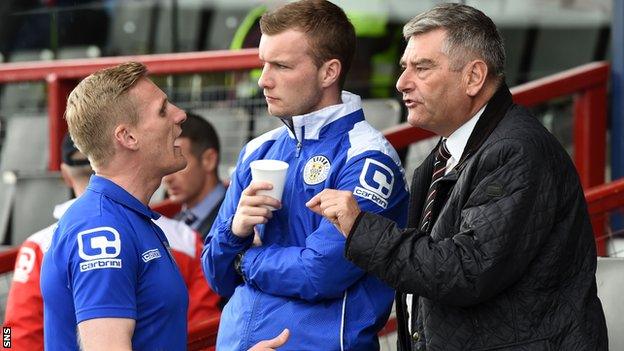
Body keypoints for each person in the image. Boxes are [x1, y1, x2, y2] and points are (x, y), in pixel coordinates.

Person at [307, 3, 608, 350]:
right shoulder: (447, 153)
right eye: (405, 68)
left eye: (422, 68)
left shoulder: (516, 151)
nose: (402, 82)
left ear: (473, 77)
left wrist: (361, 228)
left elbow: (465, 270)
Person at [202, 0, 409, 350]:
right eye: (263, 63)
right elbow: (216, 277)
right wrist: (234, 232)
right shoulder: (258, 150)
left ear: (329, 72)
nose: (263, 80)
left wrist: (243, 257)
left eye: (281, 66)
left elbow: (320, 274)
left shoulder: (368, 158)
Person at [3, 134, 221, 350]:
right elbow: (204, 328)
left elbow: (11, 334)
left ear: (65, 175)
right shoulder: (185, 238)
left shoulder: (38, 244)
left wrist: (5, 339)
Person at [39, 61, 191, 350]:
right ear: (127, 137)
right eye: (162, 110)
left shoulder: (122, 218)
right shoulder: (103, 228)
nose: (180, 115)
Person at [163, 112, 225, 239]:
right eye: (164, 167)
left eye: (179, 165)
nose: (167, 178)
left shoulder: (236, 221)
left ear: (209, 160)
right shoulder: (176, 221)